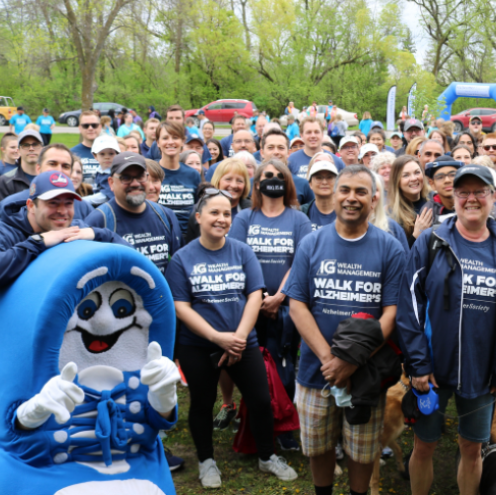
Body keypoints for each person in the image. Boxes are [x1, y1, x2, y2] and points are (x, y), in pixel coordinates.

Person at [399, 164, 496, 495]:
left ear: (494, 196)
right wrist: (418, 364)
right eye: (463, 192)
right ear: (452, 196)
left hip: (481, 373)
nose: (471, 198)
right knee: (424, 446)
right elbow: (409, 306)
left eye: (480, 191)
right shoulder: (431, 242)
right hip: (431, 371)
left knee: (472, 450)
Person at [283, 165, 405, 495]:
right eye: (345, 190)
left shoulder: (390, 248)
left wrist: (352, 360)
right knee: (318, 447)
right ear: (335, 194)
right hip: (315, 369)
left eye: (361, 192)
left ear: (374, 198)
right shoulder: (311, 243)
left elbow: (392, 314)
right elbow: (297, 305)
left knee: (363, 451)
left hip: (367, 374)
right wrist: (331, 361)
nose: (352, 198)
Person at [166, 190, 298, 488]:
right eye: (214, 212)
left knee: (261, 401)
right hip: (198, 345)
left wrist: (238, 338)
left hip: (243, 341)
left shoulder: (242, 251)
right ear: (198, 217)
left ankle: (267, 456)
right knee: (202, 402)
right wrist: (216, 337)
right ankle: (206, 461)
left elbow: (254, 294)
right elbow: (181, 306)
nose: (222, 219)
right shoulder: (182, 259)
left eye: (227, 213)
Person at [0, 171, 126, 386]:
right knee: (7, 412)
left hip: (49, 338)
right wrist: (38, 242)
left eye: (68, 203)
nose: (62, 211)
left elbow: (130, 257)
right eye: (53, 203)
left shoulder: (73, 229)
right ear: (31, 205)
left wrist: (97, 235)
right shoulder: (3, 231)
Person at [228, 159, 311, 448]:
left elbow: (301, 260)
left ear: (287, 182)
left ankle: (284, 426)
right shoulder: (244, 219)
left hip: (286, 308)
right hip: (250, 304)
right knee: (253, 366)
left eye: (278, 176)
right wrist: (259, 295)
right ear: (258, 182)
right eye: (267, 175)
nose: (272, 179)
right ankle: (254, 419)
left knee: (283, 364)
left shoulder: (298, 219)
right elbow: (237, 257)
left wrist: (279, 296)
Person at [84, 151, 181, 274]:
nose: (135, 183)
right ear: (111, 183)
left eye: (140, 176)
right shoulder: (99, 220)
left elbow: (178, 268)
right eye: (126, 178)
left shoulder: (165, 216)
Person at [0, 143, 93, 228]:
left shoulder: (84, 207)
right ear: (38, 168)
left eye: (65, 166)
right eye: (52, 164)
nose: (59, 170)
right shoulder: (10, 205)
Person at [184, 158, 252, 243]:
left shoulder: (252, 211)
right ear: (218, 180)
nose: (234, 185)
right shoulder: (201, 210)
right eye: (228, 179)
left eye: (239, 181)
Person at [154, 121, 202, 236]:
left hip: (188, 237)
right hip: (160, 235)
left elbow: (199, 209)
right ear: (158, 143)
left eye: (175, 137)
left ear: (182, 141)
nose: (170, 142)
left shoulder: (193, 175)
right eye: (165, 138)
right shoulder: (151, 171)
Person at [387, 154, 431, 244]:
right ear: (397, 181)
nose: (414, 178)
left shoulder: (434, 201)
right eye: (406, 175)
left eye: (417, 172)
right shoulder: (391, 216)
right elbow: (400, 256)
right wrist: (416, 235)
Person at [0, 129, 43, 206]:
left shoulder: (51, 179)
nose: (31, 148)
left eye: (35, 144)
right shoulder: (6, 181)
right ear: (18, 151)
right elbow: (1, 215)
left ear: (42, 149)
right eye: (25, 145)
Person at [85, 134, 122, 206]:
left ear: (117, 154)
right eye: (102, 154)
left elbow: (105, 196)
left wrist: (83, 200)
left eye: (111, 154)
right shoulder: (99, 172)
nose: (107, 157)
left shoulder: (113, 174)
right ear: (95, 156)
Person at [71, 110, 102, 184]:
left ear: (100, 127)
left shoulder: (110, 152)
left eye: (94, 125)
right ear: (80, 128)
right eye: (86, 126)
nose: (90, 128)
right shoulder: (71, 154)